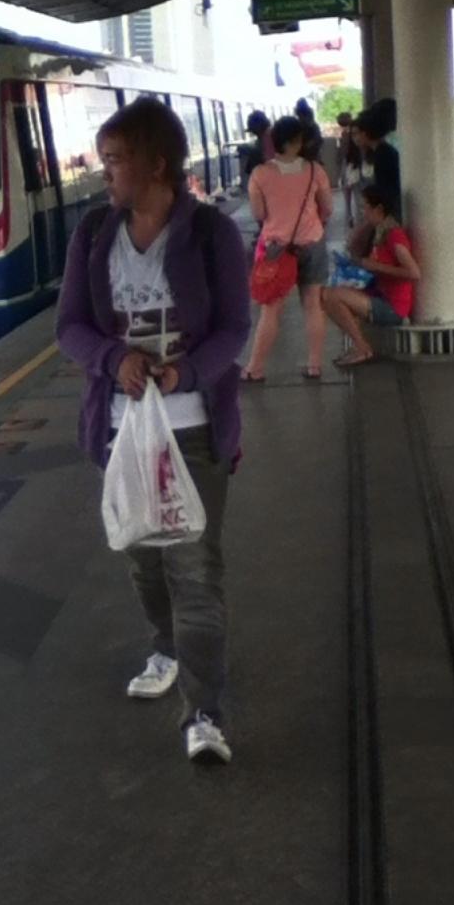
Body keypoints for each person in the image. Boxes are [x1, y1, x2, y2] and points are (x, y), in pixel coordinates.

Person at [56, 97, 251, 765]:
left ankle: (205, 712)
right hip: (119, 431)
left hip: (193, 430)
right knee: (143, 558)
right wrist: (114, 359)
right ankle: (165, 645)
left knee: (194, 570)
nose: (103, 172)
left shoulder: (210, 234)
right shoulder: (92, 235)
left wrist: (185, 372)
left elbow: (234, 328)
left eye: (114, 160)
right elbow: (70, 327)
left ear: (156, 164)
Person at [242, 115, 333, 382]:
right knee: (313, 304)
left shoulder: (260, 174)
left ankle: (255, 368)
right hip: (312, 242)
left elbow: (259, 214)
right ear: (297, 141)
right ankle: (314, 365)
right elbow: (328, 208)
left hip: (277, 249)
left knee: (271, 309)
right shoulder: (315, 170)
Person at [321, 185, 421, 366]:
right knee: (327, 295)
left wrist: (376, 266)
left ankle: (362, 347)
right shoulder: (379, 232)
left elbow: (414, 273)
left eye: (365, 207)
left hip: (393, 306)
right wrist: (367, 223)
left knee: (332, 296)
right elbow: (352, 247)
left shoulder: (394, 236)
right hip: (379, 295)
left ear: (378, 209)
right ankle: (358, 345)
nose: (362, 212)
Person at [337, 112, 362, 228]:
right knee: (357, 195)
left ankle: (349, 217)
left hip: (347, 164)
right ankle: (358, 219)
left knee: (347, 195)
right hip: (355, 163)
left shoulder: (344, 135)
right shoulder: (356, 132)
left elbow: (342, 152)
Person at [294, 98, 324, 163]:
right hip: (312, 154)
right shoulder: (313, 125)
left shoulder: (297, 124)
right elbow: (318, 139)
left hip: (302, 153)